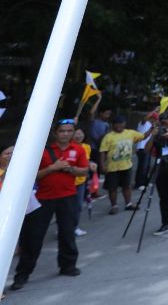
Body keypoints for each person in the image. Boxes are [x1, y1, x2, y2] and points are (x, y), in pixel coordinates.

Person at [9, 119, 88, 291]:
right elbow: (31, 175)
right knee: (33, 238)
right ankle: (22, 275)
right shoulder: (42, 151)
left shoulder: (79, 149)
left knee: (67, 233)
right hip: (42, 199)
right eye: (62, 131)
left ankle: (68, 266)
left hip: (68, 197)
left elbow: (84, 170)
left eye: (69, 131)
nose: (66, 134)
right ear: (55, 133)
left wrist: (71, 170)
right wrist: (53, 168)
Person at [99, 115, 146, 214]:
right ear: (113, 125)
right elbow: (103, 151)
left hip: (126, 165)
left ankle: (128, 204)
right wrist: (102, 165)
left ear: (125, 124)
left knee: (127, 186)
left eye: (121, 123)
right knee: (112, 188)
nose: (119, 125)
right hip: (112, 167)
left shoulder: (130, 133)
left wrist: (152, 129)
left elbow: (143, 136)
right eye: (117, 124)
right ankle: (114, 206)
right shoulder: (108, 137)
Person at [70, 128, 96, 236]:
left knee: (78, 205)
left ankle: (74, 227)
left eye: (81, 133)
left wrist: (91, 164)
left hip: (81, 181)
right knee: (66, 207)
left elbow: (86, 161)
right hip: (69, 182)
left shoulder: (87, 147)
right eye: (76, 133)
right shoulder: (68, 147)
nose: (79, 135)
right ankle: (63, 227)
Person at [134, 112, 156, 190]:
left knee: (147, 166)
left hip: (148, 147)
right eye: (153, 119)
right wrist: (154, 110)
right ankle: (139, 183)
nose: (154, 120)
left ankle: (145, 182)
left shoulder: (151, 125)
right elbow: (145, 118)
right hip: (141, 147)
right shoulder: (143, 123)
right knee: (142, 166)